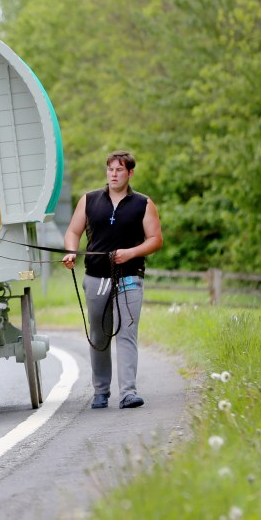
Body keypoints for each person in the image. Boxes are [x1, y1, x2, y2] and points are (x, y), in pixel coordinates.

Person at [62, 150, 163, 410]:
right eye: (110, 169)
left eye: (120, 170)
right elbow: (73, 231)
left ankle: (128, 392)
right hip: (96, 276)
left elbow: (155, 240)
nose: (114, 174)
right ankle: (101, 391)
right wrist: (71, 251)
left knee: (126, 334)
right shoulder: (89, 200)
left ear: (130, 173)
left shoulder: (143, 203)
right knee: (99, 334)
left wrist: (131, 252)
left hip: (129, 277)